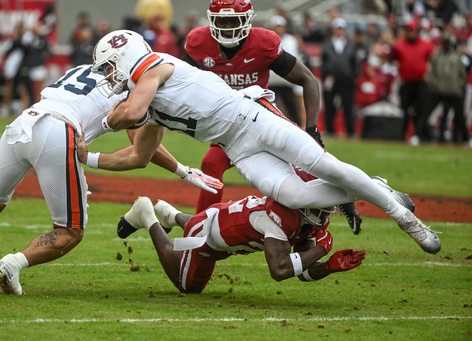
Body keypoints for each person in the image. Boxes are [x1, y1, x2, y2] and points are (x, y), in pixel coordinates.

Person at [84, 29, 441, 255]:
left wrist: (103, 120)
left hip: (253, 117)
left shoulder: (154, 67)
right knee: (293, 196)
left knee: (323, 166)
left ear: (127, 57)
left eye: (110, 67)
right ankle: (373, 187)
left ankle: (405, 219)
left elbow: (128, 113)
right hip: (235, 145)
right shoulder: (142, 97)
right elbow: (139, 156)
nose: (109, 77)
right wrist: (90, 157)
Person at [0, 64, 221, 295]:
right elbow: (142, 150)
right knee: (70, 232)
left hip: (23, 122)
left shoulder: (82, 69)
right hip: (58, 131)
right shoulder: (128, 85)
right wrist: (183, 171)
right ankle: (13, 264)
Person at [181, 0, 362, 234]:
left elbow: (308, 79)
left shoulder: (262, 43)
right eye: (221, 21)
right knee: (210, 164)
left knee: (310, 167)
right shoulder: (198, 43)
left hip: (263, 122)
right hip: (227, 127)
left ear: (246, 20)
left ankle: (349, 196)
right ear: (211, 20)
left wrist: (312, 129)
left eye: (233, 20)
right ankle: (201, 228)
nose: (227, 27)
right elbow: (182, 84)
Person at [115, 191, 366, 293]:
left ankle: (171, 214)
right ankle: (146, 214)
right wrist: (324, 247)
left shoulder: (303, 217)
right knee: (188, 286)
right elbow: (280, 270)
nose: (325, 216)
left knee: (203, 222)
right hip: (207, 238)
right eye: (322, 209)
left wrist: (328, 266)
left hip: (221, 220)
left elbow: (303, 270)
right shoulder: (279, 218)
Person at [391, 20, 434, 146]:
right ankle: (402, 135)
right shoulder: (399, 45)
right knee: (405, 110)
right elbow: (391, 57)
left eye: (414, 30)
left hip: (421, 82)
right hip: (406, 82)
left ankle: (418, 135)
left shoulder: (426, 44)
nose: (411, 33)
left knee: (421, 110)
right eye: (410, 30)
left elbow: (433, 59)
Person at [426, 32, 471, 146]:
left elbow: (463, 75)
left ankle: (466, 138)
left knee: (459, 116)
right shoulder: (438, 57)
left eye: (447, 43)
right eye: (444, 43)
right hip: (441, 91)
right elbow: (432, 73)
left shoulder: (456, 57)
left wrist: (457, 86)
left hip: (454, 92)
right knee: (437, 113)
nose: (446, 45)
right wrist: (437, 84)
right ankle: (432, 136)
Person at [321, 17, 361, 138]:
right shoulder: (327, 44)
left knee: (348, 107)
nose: (339, 31)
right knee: (329, 106)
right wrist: (325, 77)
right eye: (337, 28)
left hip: (347, 81)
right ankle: (330, 131)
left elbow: (356, 63)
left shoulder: (350, 45)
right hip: (331, 80)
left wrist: (353, 76)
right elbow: (324, 62)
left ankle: (350, 132)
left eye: (341, 28)